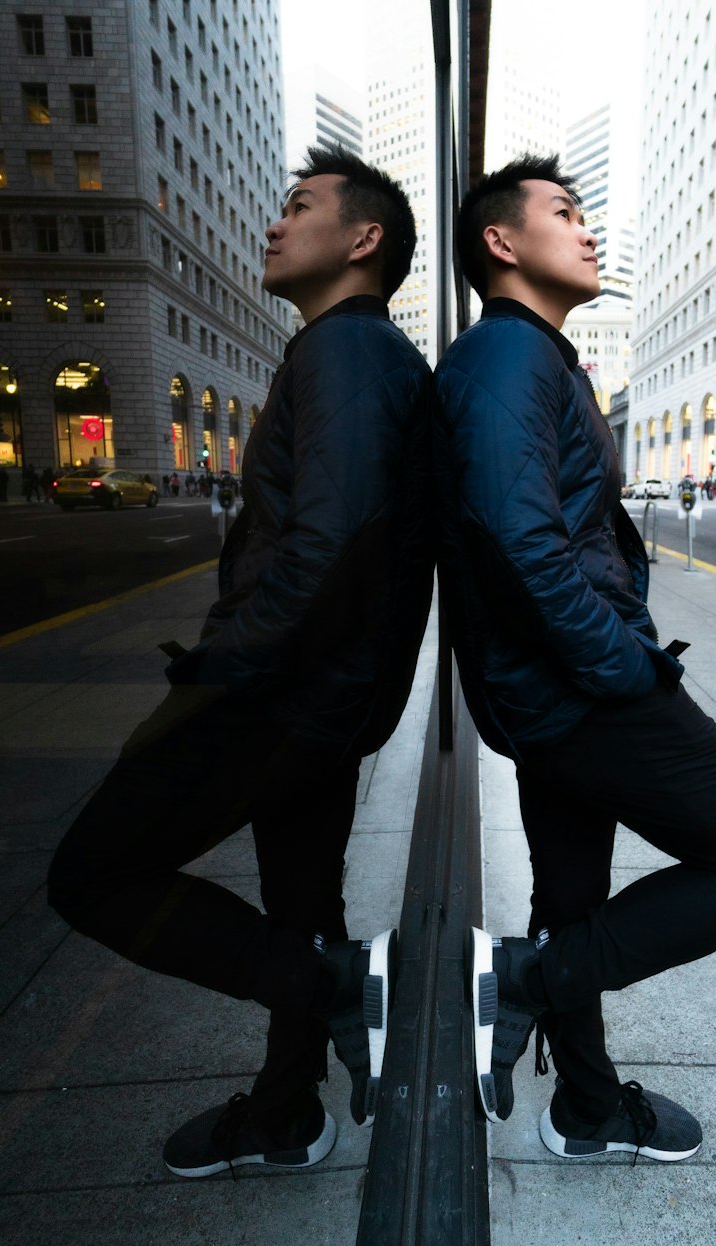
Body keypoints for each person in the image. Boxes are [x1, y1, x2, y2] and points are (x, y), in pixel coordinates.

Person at [48, 147, 434, 1179]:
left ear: (363, 239)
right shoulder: (355, 352)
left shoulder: (346, 353)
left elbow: (333, 535)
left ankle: (330, 985)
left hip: (280, 698)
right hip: (324, 700)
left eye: (298, 207)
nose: (274, 224)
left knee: (90, 873)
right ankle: (284, 1112)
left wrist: (227, 667)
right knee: (301, 904)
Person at [434, 154, 716, 1164]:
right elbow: (518, 538)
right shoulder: (507, 357)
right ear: (501, 242)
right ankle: (521, 982)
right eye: (563, 212)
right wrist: (622, 666)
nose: (588, 230)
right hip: (579, 692)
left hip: (548, 691)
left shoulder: (530, 356)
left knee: (573, 901)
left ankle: (586, 1106)